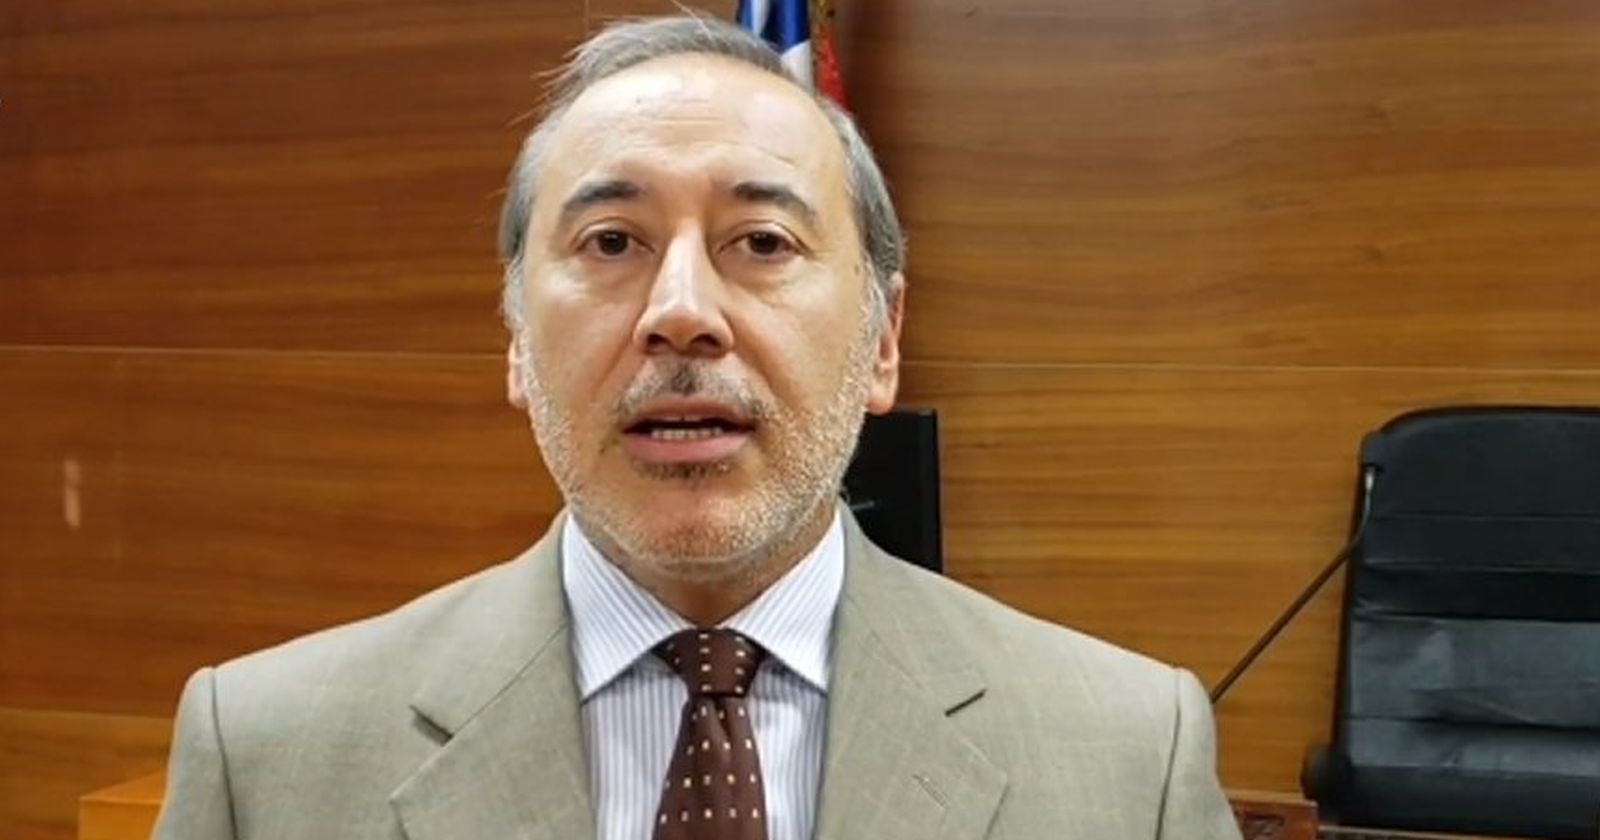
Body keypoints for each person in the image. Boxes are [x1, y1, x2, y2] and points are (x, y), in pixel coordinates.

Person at [154, 14, 1242, 840]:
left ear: (882, 340)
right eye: (612, 242)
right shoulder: (266, 756)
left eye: (761, 242)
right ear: (517, 341)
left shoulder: (1128, 757)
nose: (680, 312)